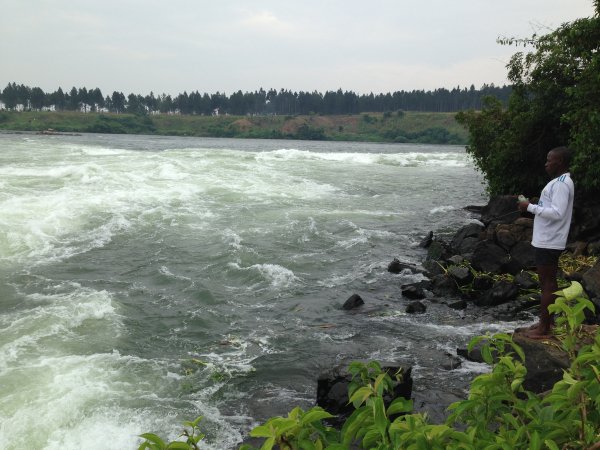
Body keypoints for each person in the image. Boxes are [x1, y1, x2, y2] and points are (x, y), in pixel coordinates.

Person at [517, 146, 574, 339]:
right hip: (550, 239)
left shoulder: (560, 184)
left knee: (547, 284)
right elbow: (552, 208)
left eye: (549, 160)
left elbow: (557, 213)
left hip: (549, 241)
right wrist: (535, 205)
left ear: (560, 162)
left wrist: (530, 207)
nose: (546, 163)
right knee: (550, 283)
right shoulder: (560, 182)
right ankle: (549, 321)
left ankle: (544, 329)